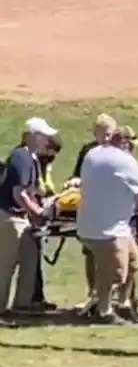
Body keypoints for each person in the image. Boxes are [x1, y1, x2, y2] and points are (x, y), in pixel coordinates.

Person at [76, 128, 138, 324]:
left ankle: (123, 304)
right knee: (115, 272)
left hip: (96, 222)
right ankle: (103, 310)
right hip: (109, 227)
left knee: (133, 262)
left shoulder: (92, 153)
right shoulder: (125, 161)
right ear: (125, 143)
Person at [0, 118, 58, 324]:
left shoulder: (31, 157)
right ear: (32, 136)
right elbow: (20, 194)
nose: (47, 141)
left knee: (29, 259)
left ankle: (21, 305)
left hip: (21, 218)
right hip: (10, 217)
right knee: (6, 265)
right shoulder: (21, 157)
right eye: (43, 136)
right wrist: (38, 213)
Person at [71, 113, 117, 306]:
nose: (105, 138)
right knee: (90, 252)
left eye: (109, 134)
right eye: (102, 133)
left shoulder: (116, 152)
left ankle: (111, 296)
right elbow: (77, 175)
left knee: (113, 253)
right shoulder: (88, 151)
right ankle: (92, 293)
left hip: (111, 209)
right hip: (91, 208)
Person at [28, 133, 63, 313]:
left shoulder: (42, 164)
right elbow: (37, 189)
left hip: (38, 213)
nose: (53, 156)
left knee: (35, 260)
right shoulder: (32, 163)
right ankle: (34, 298)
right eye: (51, 151)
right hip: (31, 215)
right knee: (30, 259)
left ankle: (36, 297)